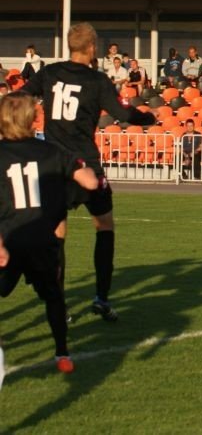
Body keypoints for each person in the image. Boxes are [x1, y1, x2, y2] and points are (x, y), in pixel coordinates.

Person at [24, 22, 156, 322]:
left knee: (58, 234)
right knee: (104, 226)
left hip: (55, 166)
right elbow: (123, 114)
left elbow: (19, 98)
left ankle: (58, 304)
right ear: (92, 47)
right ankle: (101, 299)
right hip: (86, 165)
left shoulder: (50, 72)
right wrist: (150, 117)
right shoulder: (96, 81)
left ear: (71, 46)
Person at [0, 92, 98, 376]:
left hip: (10, 237)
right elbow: (89, 181)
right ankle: (62, 354)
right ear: (31, 119)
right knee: (53, 297)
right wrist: (90, 173)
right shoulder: (52, 150)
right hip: (43, 240)